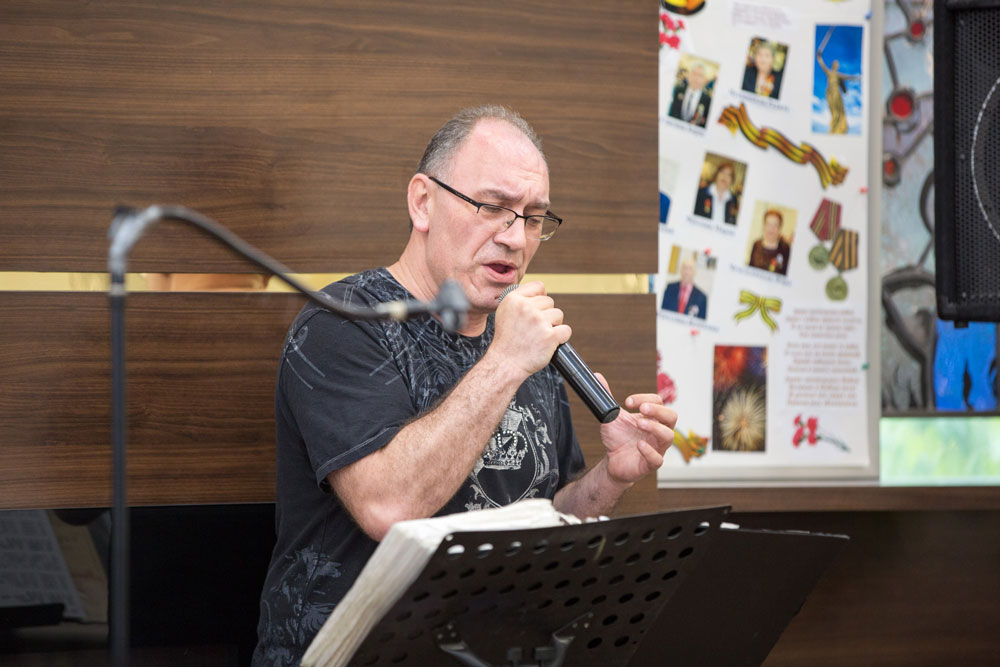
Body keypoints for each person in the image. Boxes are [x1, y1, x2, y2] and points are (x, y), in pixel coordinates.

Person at [252, 106, 677, 665]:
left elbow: (548, 518)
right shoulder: (344, 323)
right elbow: (389, 508)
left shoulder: (526, 343)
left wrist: (610, 477)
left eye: (533, 217)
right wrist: (504, 363)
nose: (515, 238)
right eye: (493, 207)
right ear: (423, 202)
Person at [816, 48, 861, 134]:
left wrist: (856, 77)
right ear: (833, 65)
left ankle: (839, 126)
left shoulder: (838, 75)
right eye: (835, 64)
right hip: (829, 92)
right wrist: (819, 57)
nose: (836, 65)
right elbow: (822, 65)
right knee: (833, 108)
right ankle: (834, 126)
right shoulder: (829, 72)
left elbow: (848, 77)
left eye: (837, 64)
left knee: (838, 109)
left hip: (836, 92)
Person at [668, 62, 712, 128]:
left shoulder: (708, 100)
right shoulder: (677, 90)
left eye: (700, 75)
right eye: (694, 73)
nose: (696, 78)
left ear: (704, 80)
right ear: (689, 76)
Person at [748, 209, 792, 275]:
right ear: (764, 226)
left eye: (775, 225)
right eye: (768, 224)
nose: (771, 229)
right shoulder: (756, 244)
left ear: (779, 228)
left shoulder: (786, 249)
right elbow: (749, 269)